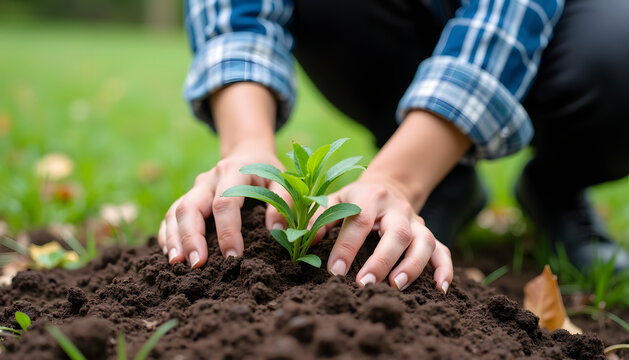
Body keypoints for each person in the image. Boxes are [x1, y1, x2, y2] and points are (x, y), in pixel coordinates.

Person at [158, 0, 629, 292]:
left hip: (564, 21)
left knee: (617, 59)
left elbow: (508, 14)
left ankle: (555, 187)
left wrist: (396, 178)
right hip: (385, 21)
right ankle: (442, 183)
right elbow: (235, 12)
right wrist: (247, 145)